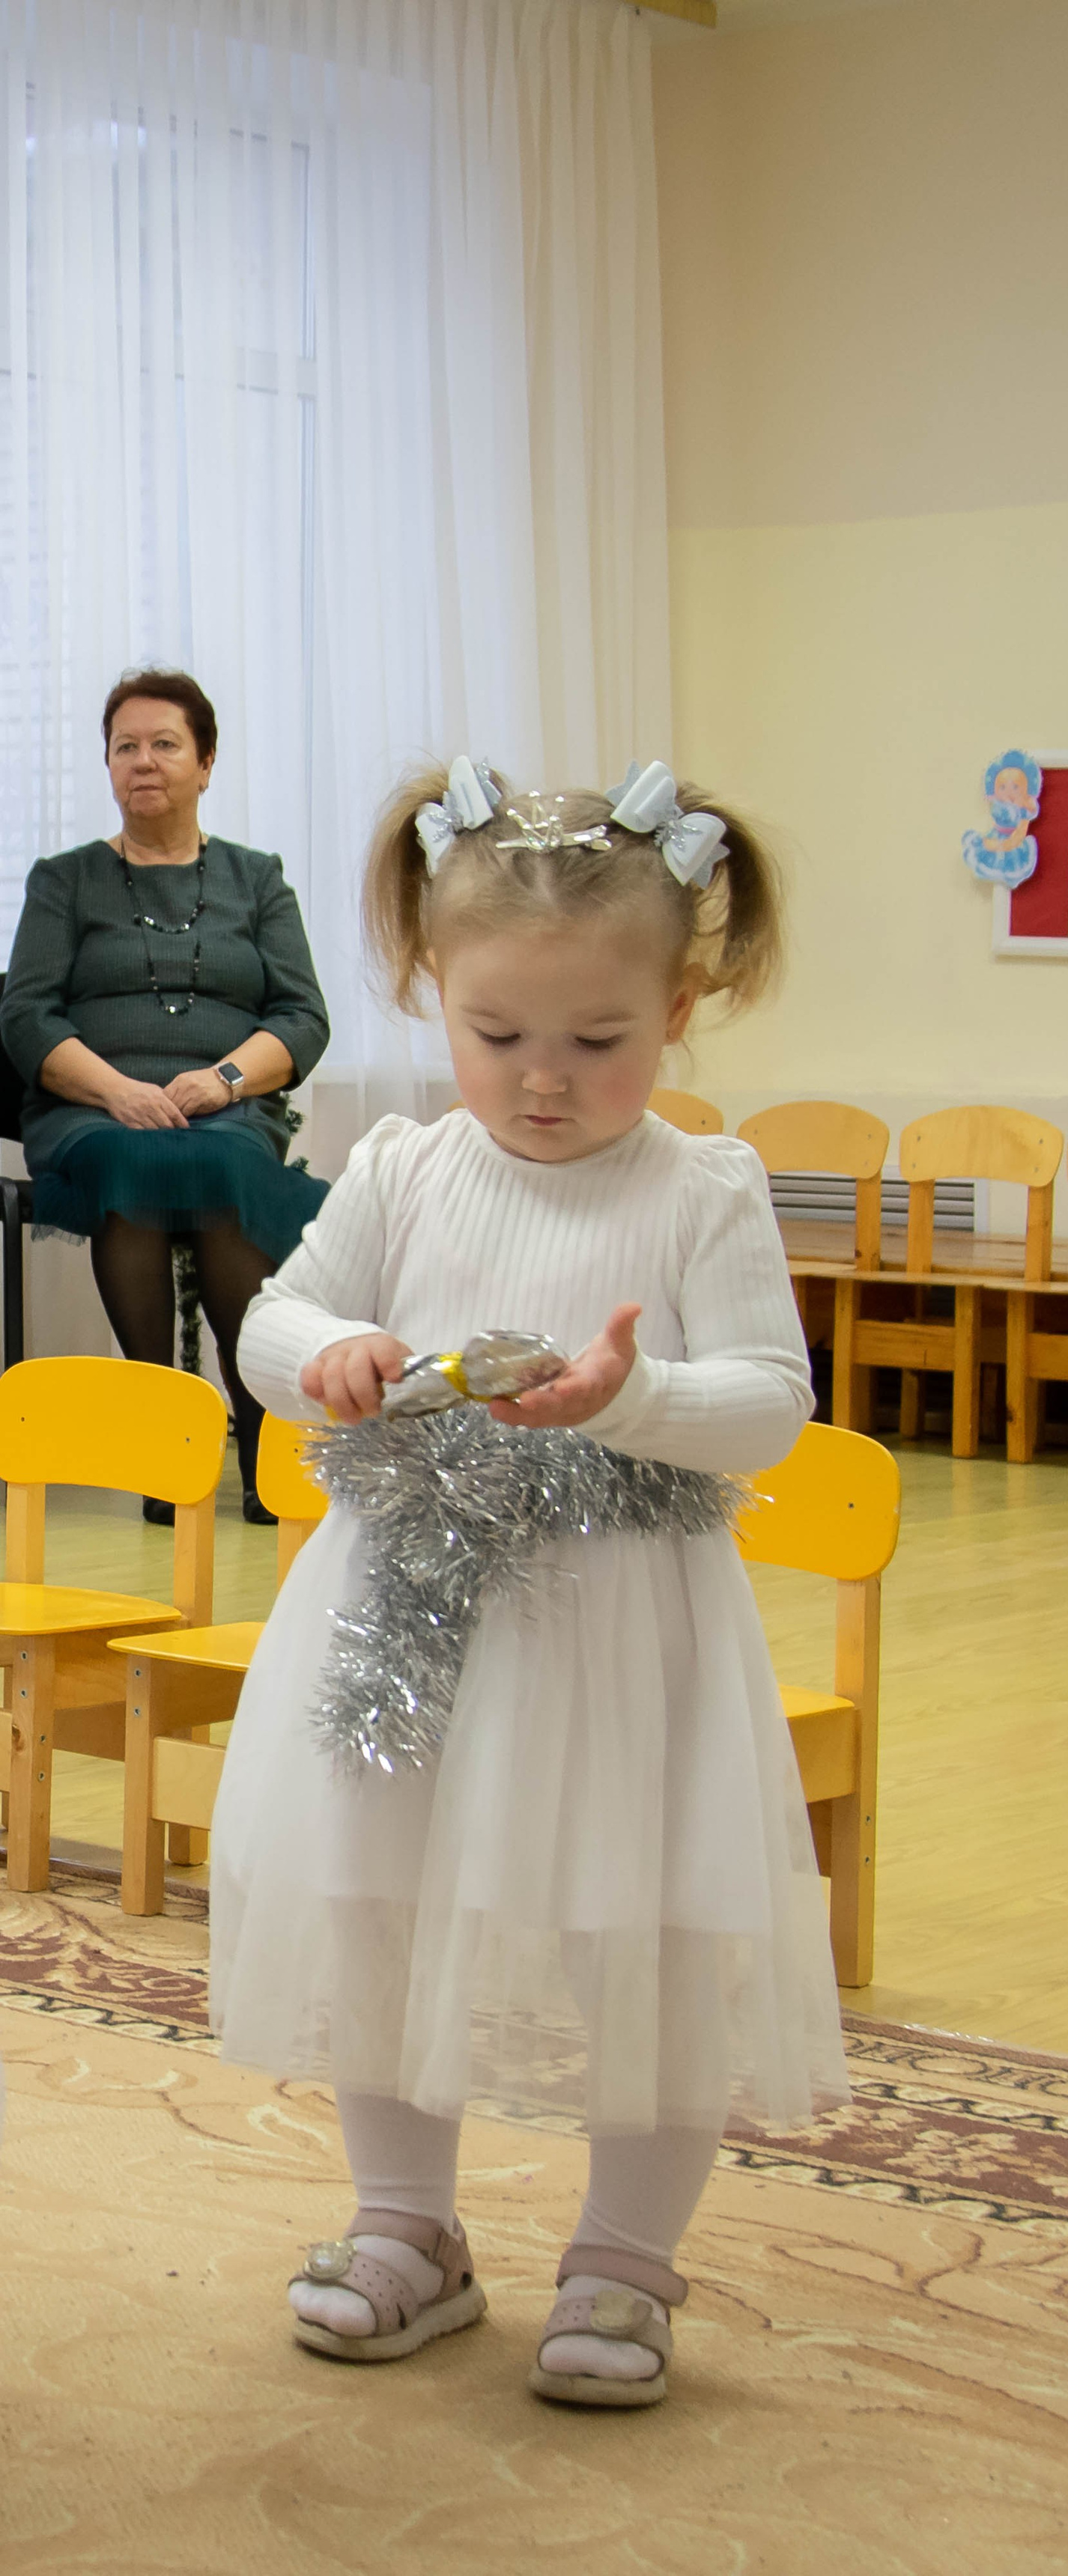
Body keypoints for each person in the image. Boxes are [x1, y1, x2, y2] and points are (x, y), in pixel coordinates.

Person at [210, 755, 843, 2409]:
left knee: (641, 1926)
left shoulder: (702, 1187)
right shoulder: (405, 1165)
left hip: (620, 1635)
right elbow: (276, 1318)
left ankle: (625, 2261)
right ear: (434, 990)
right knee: (382, 1902)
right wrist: (327, 1352)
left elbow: (774, 1398)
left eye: (595, 1042)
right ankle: (406, 2225)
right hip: (406, 1601)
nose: (542, 1082)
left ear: (682, 1005)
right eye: (497, 1038)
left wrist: (629, 1396)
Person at [0, 670, 330, 1521]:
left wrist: (223, 1080)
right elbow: (26, 1015)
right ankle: (161, 1443)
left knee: (223, 1166)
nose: (143, 761)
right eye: (125, 747)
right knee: (133, 1160)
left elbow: (301, 1016)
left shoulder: (258, 880)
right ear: (108, 767)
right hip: (91, 1109)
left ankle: (257, 1438)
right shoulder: (63, 880)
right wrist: (115, 1091)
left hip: (225, 1108)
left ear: (206, 762)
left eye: (165, 744)